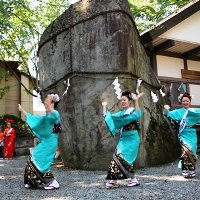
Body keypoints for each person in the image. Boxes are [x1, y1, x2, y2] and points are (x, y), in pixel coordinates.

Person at [18, 93, 62, 190]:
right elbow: (34, 119)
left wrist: (50, 104)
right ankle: (31, 182)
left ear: (52, 103)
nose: (45, 100)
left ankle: (52, 182)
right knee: (32, 159)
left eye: (47, 99)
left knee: (41, 162)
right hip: (46, 142)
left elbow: (53, 112)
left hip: (50, 144)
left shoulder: (55, 114)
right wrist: (22, 110)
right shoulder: (48, 117)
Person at [102, 90, 144, 188]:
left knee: (126, 159)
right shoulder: (121, 113)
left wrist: (137, 100)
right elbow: (110, 117)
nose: (123, 101)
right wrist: (104, 106)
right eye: (122, 100)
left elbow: (138, 114)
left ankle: (126, 180)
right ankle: (116, 180)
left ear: (130, 101)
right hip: (124, 139)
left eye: (124, 100)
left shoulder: (132, 111)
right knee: (118, 156)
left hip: (132, 139)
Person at [163, 92, 200, 178]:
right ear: (181, 102)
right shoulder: (178, 112)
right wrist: (166, 108)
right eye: (183, 101)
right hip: (183, 133)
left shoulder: (194, 111)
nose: (185, 102)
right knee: (186, 150)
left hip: (192, 133)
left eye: (187, 101)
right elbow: (168, 114)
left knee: (192, 151)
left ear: (190, 102)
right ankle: (184, 170)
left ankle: (191, 170)